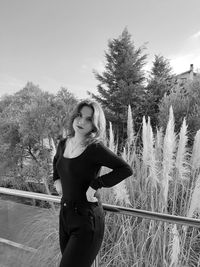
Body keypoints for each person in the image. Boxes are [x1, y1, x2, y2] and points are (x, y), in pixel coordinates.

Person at [53, 99, 133, 267]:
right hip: (65, 216)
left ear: (95, 125)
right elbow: (56, 164)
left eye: (88, 119)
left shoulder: (95, 148)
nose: (81, 121)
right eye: (79, 116)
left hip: (86, 220)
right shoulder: (62, 144)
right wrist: (56, 181)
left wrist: (95, 185)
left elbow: (125, 169)